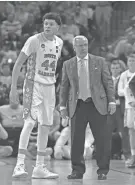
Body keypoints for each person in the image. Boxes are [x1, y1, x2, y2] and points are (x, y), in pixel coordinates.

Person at [10, 12, 63, 179]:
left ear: (57, 27)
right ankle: (19, 165)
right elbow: (19, 63)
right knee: (29, 122)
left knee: (45, 126)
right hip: (33, 84)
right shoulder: (34, 40)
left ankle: (39, 167)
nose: (47, 26)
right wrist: (13, 88)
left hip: (50, 86)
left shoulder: (59, 43)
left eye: (51, 24)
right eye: (45, 23)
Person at [60, 35, 116, 180]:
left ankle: (103, 170)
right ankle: (77, 170)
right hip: (77, 105)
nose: (83, 47)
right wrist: (62, 106)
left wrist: (111, 101)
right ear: (74, 47)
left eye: (85, 44)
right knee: (76, 140)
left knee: (102, 139)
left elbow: (108, 82)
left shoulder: (100, 61)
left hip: (97, 104)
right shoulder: (68, 64)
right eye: (80, 45)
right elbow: (64, 87)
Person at [118, 53, 135, 168]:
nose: (132, 63)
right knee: (131, 131)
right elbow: (119, 91)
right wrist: (129, 93)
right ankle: (133, 156)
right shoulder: (124, 75)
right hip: (129, 107)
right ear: (127, 62)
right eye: (130, 61)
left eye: (134, 61)